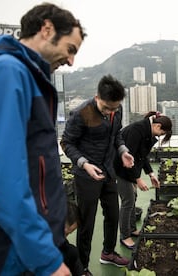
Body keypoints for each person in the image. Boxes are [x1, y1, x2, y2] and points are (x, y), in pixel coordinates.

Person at [0, 3, 85, 275]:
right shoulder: (7, 72)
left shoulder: (27, 76)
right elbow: (4, 177)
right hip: (13, 252)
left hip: (25, 246)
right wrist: (45, 259)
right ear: (46, 29)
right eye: (70, 49)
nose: (71, 61)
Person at [60, 75, 134, 274]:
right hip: (86, 176)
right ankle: (82, 266)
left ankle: (108, 252)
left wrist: (123, 151)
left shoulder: (115, 111)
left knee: (113, 214)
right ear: (97, 97)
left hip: (108, 172)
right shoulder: (82, 113)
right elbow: (66, 143)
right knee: (86, 222)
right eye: (106, 108)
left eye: (114, 108)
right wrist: (85, 165)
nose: (111, 112)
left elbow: (116, 134)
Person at [114, 111, 172, 249]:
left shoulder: (146, 131)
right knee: (128, 200)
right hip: (120, 167)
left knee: (133, 197)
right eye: (161, 133)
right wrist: (138, 179)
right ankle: (125, 236)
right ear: (157, 126)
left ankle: (132, 229)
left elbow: (142, 156)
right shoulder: (137, 130)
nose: (159, 136)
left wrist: (151, 174)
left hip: (131, 168)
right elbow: (130, 156)